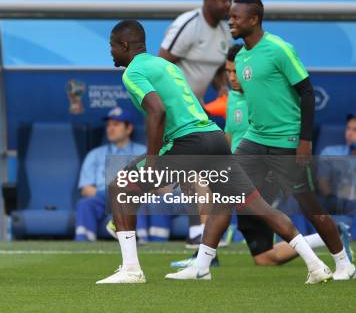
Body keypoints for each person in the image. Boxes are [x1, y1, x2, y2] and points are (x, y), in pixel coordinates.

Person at [97, 20, 332, 284]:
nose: (110, 52)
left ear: (124, 45)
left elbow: (157, 111)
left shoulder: (132, 73)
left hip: (189, 143)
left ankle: (131, 269)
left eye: (112, 46)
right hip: (214, 138)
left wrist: (152, 161)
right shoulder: (164, 65)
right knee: (257, 206)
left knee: (119, 188)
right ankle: (316, 264)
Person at [170, 44, 352, 268]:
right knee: (265, 258)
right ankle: (331, 235)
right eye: (228, 72)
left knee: (212, 187)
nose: (233, 77)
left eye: (237, 71)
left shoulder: (264, 100)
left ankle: (203, 259)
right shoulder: (233, 99)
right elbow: (229, 138)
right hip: (241, 168)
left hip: (262, 173)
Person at [228, 0, 355, 281]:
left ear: (254, 19)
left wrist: (305, 140)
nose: (231, 22)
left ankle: (343, 263)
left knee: (308, 204)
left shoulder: (279, 49)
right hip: (255, 138)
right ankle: (202, 264)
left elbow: (307, 93)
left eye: (236, 17)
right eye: (230, 17)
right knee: (228, 181)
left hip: (286, 141)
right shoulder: (241, 56)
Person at [158, 0, 233, 246]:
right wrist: (173, 102)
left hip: (196, 108)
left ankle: (200, 233)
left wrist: (223, 88)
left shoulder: (225, 32)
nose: (226, 5)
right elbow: (161, 63)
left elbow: (216, 71)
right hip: (173, 107)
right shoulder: (188, 24)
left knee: (194, 169)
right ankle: (200, 233)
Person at [75, 107, 147, 242]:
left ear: (129, 128)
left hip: (133, 197)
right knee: (85, 204)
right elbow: (86, 189)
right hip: (103, 198)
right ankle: (83, 245)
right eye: (108, 125)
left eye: (116, 124)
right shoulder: (95, 154)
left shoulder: (143, 152)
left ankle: (140, 241)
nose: (110, 129)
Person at [318, 114, 356, 216]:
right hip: (337, 204)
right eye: (348, 128)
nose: (349, 133)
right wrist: (332, 199)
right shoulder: (330, 152)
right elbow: (322, 181)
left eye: (355, 130)